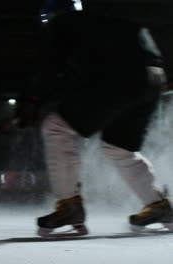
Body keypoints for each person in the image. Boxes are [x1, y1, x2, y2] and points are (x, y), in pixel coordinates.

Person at [15, 0, 173, 237]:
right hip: (152, 80)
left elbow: (51, 66)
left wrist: (30, 101)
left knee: (56, 127)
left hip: (119, 78)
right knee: (119, 147)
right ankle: (158, 206)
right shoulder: (104, 25)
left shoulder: (64, 24)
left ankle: (69, 206)